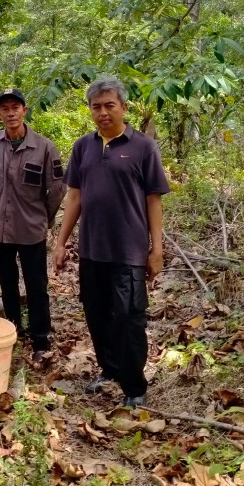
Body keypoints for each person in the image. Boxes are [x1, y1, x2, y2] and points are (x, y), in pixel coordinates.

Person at [53, 77, 170, 407]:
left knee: (129, 317)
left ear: (123, 107)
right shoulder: (83, 147)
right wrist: (60, 243)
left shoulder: (143, 147)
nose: (103, 112)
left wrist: (156, 249)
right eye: (96, 107)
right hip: (92, 249)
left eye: (109, 105)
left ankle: (134, 387)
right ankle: (110, 370)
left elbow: (153, 200)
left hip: (129, 251)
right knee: (97, 314)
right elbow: (75, 197)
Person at [0, 89, 66, 362]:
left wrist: (43, 219)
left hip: (31, 230)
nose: (11, 113)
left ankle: (40, 338)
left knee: (36, 284)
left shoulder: (44, 147)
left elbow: (57, 189)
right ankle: (12, 329)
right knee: (7, 283)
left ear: (24, 111)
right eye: (5, 109)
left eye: (15, 107)